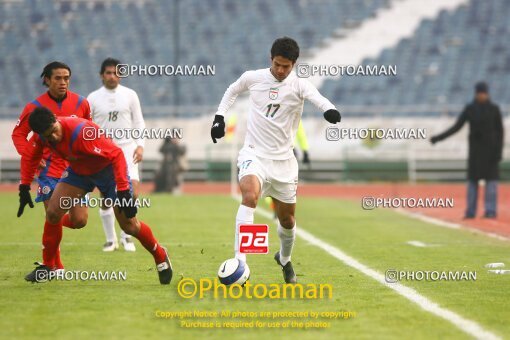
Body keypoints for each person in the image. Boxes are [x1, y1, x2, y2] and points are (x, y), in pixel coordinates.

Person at [210, 37, 341, 283]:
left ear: (294, 64)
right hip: (254, 154)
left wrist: (329, 110)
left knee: (287, 221)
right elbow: (232, 90)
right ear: (271, 59)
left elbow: (318, 98)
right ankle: (241, 262)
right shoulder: (254, 77)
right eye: (277, 64)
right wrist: (219, 117)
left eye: (286, 66)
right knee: (249, 197)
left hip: (284, 162)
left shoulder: (300, 85)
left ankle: (284, 259)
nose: (281, 70)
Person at [17, 108, 172, 284]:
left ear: (56, 119)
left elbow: (116, 154)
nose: (53, 137)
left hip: (109, 173)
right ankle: (49, 266)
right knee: (53, 213)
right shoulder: (43, 135)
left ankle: (160, 254)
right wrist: (24, 186)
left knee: (129, 226)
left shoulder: (83, 131)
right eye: (47, 136)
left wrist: (122, 190)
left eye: (54, 131)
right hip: (79, 174)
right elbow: (31, 156)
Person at [12, 61, 91, 271]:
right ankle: (55, 266)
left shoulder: (81, 104)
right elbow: (18, 134)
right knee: (54, 217)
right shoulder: (34, 108)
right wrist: (32, 156)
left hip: (75, 171)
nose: (63, 82)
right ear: (47, 80)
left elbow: (88, 130)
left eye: (66, 78)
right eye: (58, 78)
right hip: (49, 170)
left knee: (80, 220)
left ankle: (52, 223)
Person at [88, 58, 145, 252]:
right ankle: (111, 239)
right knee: (107, 197)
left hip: (128, 149)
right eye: (109, 73)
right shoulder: (93, 98)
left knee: (133, 193)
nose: (113, 76)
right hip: (104, 153)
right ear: (102, 75)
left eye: (116, 73)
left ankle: (127, 236)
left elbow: (138, 122)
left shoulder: (130, 95)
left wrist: (140, 146)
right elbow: (88, 126)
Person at [431, 82, 504, 218]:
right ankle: (470, 211)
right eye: (479, 93)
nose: (481, 95)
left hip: (491, 152)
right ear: (476, 93)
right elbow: (457, 126)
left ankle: (490, 210)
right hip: (475, 152)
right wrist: (438, 138)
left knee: (492, 184)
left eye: (483, 93)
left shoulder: (494, 109)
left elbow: (500, 132)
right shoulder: (470, 109)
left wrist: (498, 152)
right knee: (472, 183)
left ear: (487, 93)